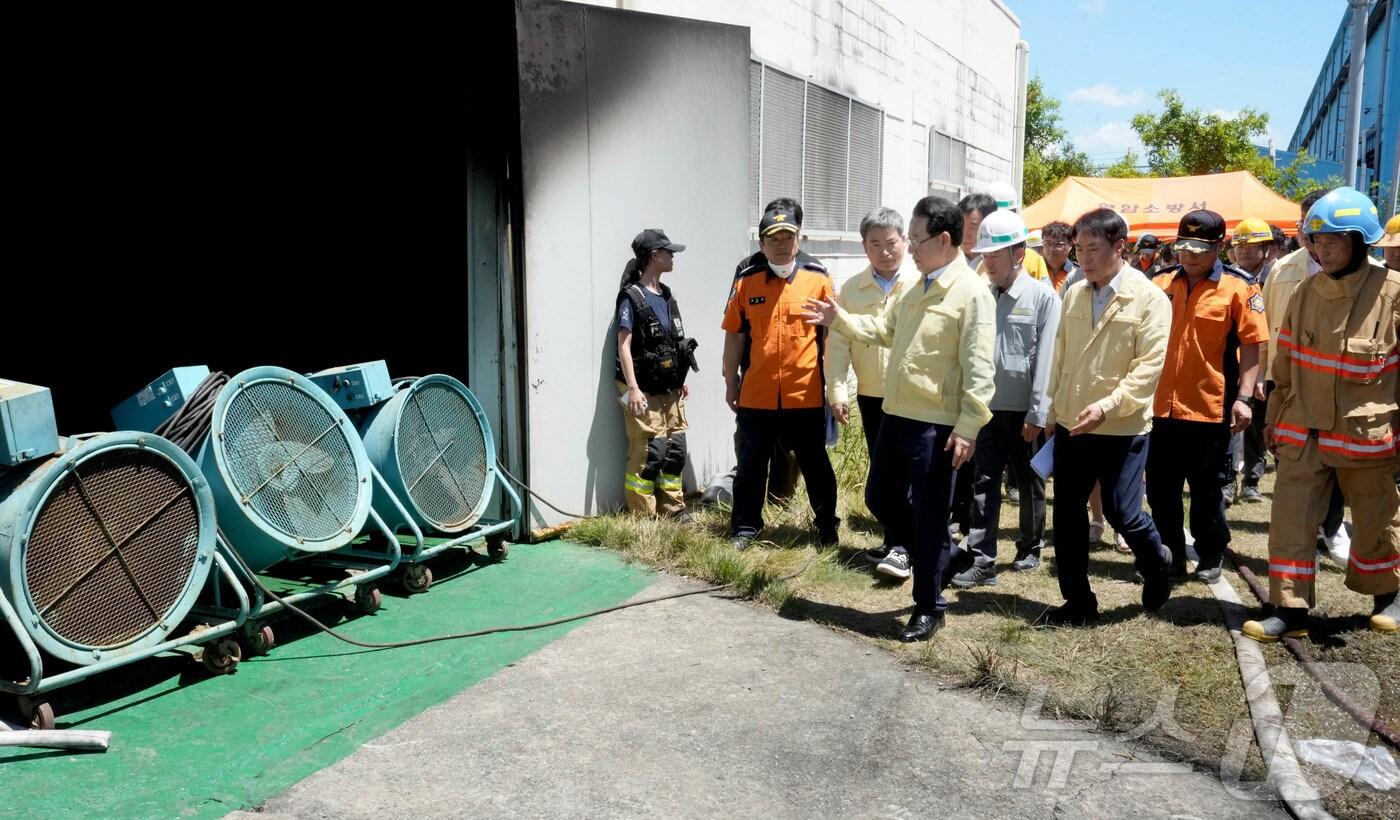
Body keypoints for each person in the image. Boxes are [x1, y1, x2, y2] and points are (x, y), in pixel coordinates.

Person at [803, 196, 996, 641]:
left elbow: (982, 371)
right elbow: (884, 331)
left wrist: (968, 426)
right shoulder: (916, 287)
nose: (909, 248)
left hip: (937, 424)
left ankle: (929, 605)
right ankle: (943, 552)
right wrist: (841, 319)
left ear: (944, 240)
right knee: (879, 498)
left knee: (929, 517)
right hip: (895, 413)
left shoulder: (971, 295)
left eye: (916, 239)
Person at [1244, 187, 1400, 641]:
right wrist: (1273, 417)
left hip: (1366, 432)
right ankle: (1288, 612)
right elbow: (1285, 363)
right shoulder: (1306, 292)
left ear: (1361, 240)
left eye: (1332, 241)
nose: (1321, 250)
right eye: (1316, 240)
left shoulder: (1392, 294)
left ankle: (1388, 596)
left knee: (1375, 519)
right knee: (1290, 521)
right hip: (1302, 427)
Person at [1043, 209, 1174, 625]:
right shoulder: (1075, 292)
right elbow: (1060, 355)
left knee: (1123, 512)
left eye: (1092, 248)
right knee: (1066, 514)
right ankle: (1078, 601)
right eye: (1078, 249)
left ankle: (1157, 563)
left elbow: (1147, 370)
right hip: (1072, 423)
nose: (1084, 257)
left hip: (1122, 426)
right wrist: (1052, 408)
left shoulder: (1149, 298)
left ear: (1120, 247)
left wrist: (1107, 406)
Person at [1146, 211, 1267, 583]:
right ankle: (1171, 556)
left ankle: (1211, 552)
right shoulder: (1159, 282)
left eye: (1199, 248)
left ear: (1218, 247)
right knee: (1161, 490)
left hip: (1210, 408)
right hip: (1159, 407)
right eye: (1183, 246)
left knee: (1207, 490)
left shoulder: (1239, 287)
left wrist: (1244, 397)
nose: (1189, 255)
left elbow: (1251, 346)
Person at [723, 199, 840, 550]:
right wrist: (730, 381)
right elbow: (734, 333)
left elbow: (832, 338)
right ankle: (746, 527)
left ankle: (825, 526)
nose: (781, 243)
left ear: (798, 238)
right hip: (757, 393)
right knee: (750, 463)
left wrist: (834, 391)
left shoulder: (818, 278)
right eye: (773, 237)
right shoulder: (747, 279)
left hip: (803, 393)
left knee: (815, 463)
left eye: (788, 235)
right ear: (762, 243)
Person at [952, 209, 1059, 586]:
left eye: (993, 256)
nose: (987, 263)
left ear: (1017, 254)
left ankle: (1030, 546)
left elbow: (1046, 359)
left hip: (1025, 413)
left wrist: (1038, 411)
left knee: (1030, 482)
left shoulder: (1044, 298)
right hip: (986, 408)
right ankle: (982, 558)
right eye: (983, 256)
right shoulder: (982, 295)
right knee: (983, 480)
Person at [824, 206, 919, 573]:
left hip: (912, 396)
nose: (884, 251)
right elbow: (838, 344)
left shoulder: (917, 285)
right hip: (872, 395)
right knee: (885, 475)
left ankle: (904, 547)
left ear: (905, 243)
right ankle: (900, 542)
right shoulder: (852, 288)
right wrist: (837, 392)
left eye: (890, 243)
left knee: (905, 475)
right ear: (864, 247)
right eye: (874, 244)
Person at [1260, 189, 1351, 563]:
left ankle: (1331, 527)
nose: (1309, 228)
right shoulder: (1284, 269)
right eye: (1306, 220)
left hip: (1337, 386)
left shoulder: (1361, 275)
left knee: (1337, 461)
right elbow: (1265, 325)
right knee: (1292, 463)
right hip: (1286, 382)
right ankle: (1304, 533)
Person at [615, 229, 695, 519]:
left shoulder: (667, 295)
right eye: (668, 251)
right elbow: (623, 346)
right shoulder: (631, 297)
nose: (672, 256)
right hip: (641, 386)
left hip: (668, 387)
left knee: (674, 449)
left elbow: (670, 342)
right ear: (653, 256)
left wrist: (679, 380)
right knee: (650, 451)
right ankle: (644, 516)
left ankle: (673, 508)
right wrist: (633, 389)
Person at [1227, 217, 1275, 505]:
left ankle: (1252, 481)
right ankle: (1228, 482)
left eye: (1251, 246)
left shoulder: (1276, 277)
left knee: (1257, 424)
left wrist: (1264, 370)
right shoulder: (1227, 277)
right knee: (1231, 426)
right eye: (1239, 246)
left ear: (1266, 248)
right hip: (1231, 362)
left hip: (1263, 364)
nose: (1244, 251)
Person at [1040, 221, 1078, 293]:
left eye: (1058, 244)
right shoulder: (1035, 270)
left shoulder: (1077, 274)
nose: (1052, 249)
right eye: (1048, 243)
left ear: (1070, 245)